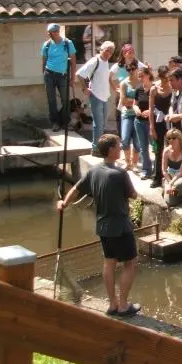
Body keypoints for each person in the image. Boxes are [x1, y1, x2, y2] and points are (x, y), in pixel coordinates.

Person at [58, 134, 140, 316]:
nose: (121, 148)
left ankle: (112, 304)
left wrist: (64, 203)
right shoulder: (120, 174)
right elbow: (133, 195)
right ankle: (124, 305)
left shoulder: (94, 171)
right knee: (131, 264)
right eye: (118, 146)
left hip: (103, 226)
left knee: (109, 263)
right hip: (120, 226)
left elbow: (75, 189)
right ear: (110, 150)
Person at [75, 40, 115, 152]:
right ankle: (96, 149)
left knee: (103, 123)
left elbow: (95, 77)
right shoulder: (95, 60)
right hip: (96, 96)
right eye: (107, 51)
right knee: (98, 124)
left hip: (105, 96)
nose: (109, 54)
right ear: (101, 50)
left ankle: (100, 146)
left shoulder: (106, 62)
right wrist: (85, 88)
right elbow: (80, 74)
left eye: (111, 52)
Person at [41, 23, 76, 132]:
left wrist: (72, 78)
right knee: (51, 100)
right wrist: (44, 75)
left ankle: (65, 122)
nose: (51, 34)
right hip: (49, 74)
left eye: (53, 32)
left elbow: (73, 62)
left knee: (65, 100)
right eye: (50, 33)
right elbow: (43, 61)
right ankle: (55, 122)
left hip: (62, 75)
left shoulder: (67, 43)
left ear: (57, 32)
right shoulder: (46, 45)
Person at [148, 66, 173, 188]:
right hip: (158, 122)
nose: (165, 81)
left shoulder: (172, 88)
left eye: (167, 78)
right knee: (158, 149)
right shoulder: (154, 89)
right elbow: (151, 109)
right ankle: (157, 177)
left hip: (169, 121)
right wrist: (151, 127)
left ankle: (170, 176)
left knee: (171, 148)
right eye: (163, 78)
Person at [117, 60, 142, 171]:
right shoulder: (124, 83)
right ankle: (128, 162)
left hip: (138, 114)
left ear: (137, 68)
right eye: (129, 69)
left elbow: (141, 101)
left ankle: (135, 163)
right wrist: (135, 101)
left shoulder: (141, 83)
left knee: (137, 141)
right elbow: (123, 101)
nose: (131, 71)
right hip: (127, 114)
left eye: (133, 68)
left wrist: (131, 101)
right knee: (125, 139)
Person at [131, 66, 153, 178]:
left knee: (155, 146)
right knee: (143, 147)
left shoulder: (154, 88)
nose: (140, 78)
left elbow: (159, 105)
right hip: (139, 122)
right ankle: (146, 170)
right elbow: (134, 103)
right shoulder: (138, 89)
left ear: (148, 75)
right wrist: (136, 109)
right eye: (139, 77)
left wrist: (150, 111)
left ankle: (158, 169)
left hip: (151, 123)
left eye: (142, 76)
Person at [161, 129, 182, 207]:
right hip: (170, 176)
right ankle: (179, 196)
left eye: (174, 138)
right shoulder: (166, 151)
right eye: (169, 138)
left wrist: (171, 184)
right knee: (170, 202)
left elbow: (181, 172)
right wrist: (169, 183)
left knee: (178, 185)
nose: (171, 140)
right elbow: (164, 171)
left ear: (179, 139)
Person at [110, 44, 138, 133]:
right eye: (129, 52)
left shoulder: (137, 63)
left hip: (133, 93)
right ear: (124, 54)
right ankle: (121, 136)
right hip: (122, 93)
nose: (131, 54)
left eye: (132, 52)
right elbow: (108, 76)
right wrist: (115, 88)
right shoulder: (118, 66)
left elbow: (146, 72)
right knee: (120, 115)